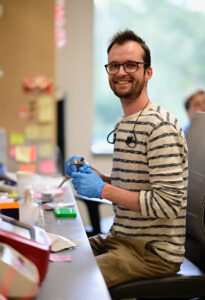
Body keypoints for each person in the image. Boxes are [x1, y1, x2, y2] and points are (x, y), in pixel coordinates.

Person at [65, 29, 188, 288]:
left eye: (131, 65)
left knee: (71, 282)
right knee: (57, 257)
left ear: (148, 72)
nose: (121, 72)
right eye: (114, 66)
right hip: (122, 238)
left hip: (152, 253)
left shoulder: (159, 127)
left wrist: (104, 190)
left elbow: (167, 204)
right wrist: (99, 177)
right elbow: (137, 185)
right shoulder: (126, 122)